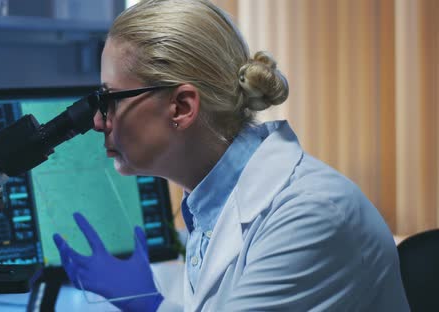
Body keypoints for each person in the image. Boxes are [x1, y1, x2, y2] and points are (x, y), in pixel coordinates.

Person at [52, 0, 410, 311]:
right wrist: (151, 304)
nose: (99, 121)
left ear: (181, 107)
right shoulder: (211, 205)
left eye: (109, 100)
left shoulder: (310, 215)